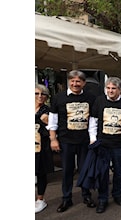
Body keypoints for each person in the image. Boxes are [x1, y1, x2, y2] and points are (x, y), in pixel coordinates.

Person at [48, 70, 97, 212]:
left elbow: (93, 120)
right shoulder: (58, 98)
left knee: (84, 170)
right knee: (67, 171)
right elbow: (53, 120)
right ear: (69, 81)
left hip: (84, 141)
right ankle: (66, 198)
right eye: (73, 81)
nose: (75, 84)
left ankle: (86, 195)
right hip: (65, 140)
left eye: (78, 81)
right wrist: (53, 139)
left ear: (83, 83)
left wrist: (93, 138)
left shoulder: (91, 98)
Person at [85, 77, 121, 213]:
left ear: (120, 90)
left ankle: (117, 194)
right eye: (108, 88)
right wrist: (93, 138)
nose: (110, 91)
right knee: (103, 173)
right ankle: (102, 198)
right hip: (102, 144)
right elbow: (93, 120)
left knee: (118, 172)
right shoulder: (99, 101)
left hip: (119, 144)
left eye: (113, 88)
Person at [35, 84, 53, 213]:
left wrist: (46, 121)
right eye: (36, 93)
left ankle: (40, 200)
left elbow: (51, 125)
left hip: (40, 147)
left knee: (41, 173)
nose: (40, 96)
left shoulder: (46, 110)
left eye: (43, 94)